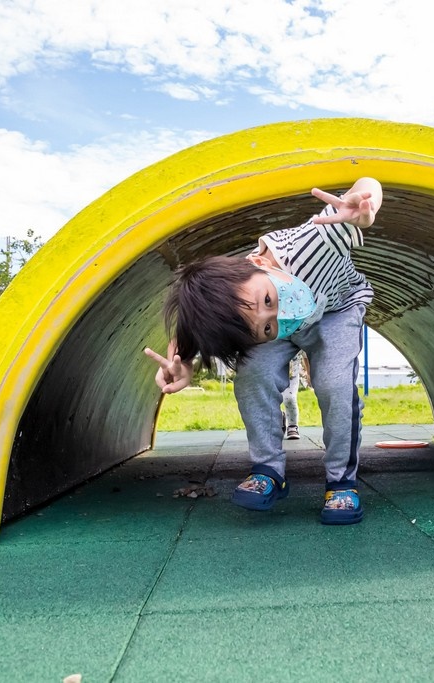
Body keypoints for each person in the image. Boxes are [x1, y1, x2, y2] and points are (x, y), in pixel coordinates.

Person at [144, 177, 382, 525]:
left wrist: (364, 203)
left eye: (268, 301)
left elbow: (367, 183)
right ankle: (269, 470)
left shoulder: (314, 241)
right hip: (285, 334)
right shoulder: (255, 319)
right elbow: (192, 324)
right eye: (266, 323)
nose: (279, 312)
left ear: (258, 263)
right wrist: (184, 362)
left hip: (336, 308)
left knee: (334, 384)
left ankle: (341, 482)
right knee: (252, 372)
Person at [281, 350, 308, 440]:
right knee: (271, 397)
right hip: (271, 363)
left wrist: (308, 371)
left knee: (289, 398)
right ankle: (279, 418)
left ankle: (292, 425)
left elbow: (305, 351)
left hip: (292, 368)